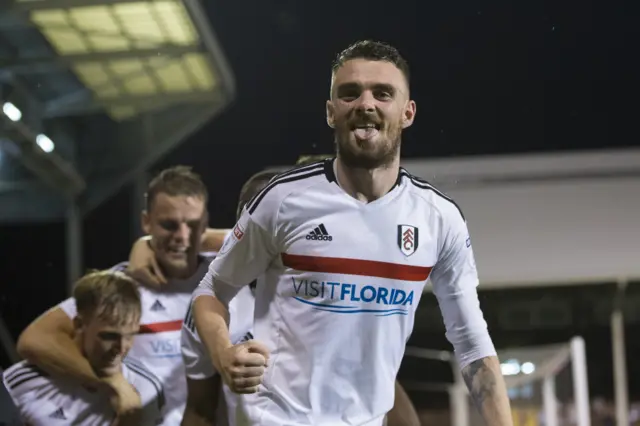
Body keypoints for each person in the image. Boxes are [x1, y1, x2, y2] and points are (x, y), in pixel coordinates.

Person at [191, 40, 512, 426]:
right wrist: (223, 353)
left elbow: (473, 346)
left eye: (383, 93)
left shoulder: (439, 220)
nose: (365, 104)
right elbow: (212, 290)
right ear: (331, 112)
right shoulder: (283, 200)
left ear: (408, 112)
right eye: (349, 93)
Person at [15, 166, 214, 425]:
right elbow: (35, 340)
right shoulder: (123, 287)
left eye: (192, 224)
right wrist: (112, 383)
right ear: (146, 222)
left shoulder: (229, 276)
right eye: (169, 225)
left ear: (205, 224)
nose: (182, 236)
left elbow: (271, 236)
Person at [3, 270, 164, 426]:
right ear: (79, 325)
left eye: (130, 336)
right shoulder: (20, 382)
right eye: (109, 336)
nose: (121, 348)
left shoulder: (147, 388)